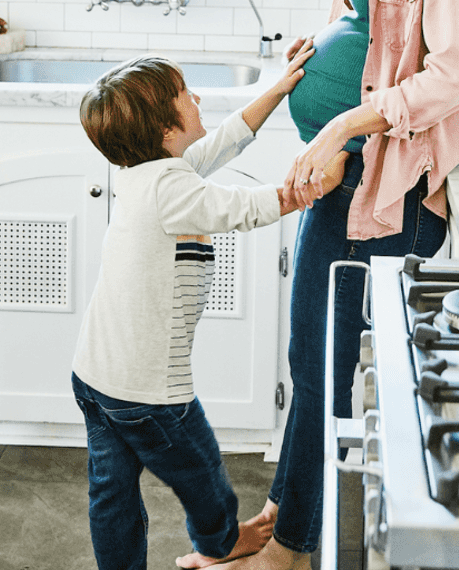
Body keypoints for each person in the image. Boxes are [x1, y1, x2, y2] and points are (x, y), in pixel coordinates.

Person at [198, 0, 459, 569]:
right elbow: (382, 37)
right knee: (312, 362)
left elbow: (458, 71)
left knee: (330, 371)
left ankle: (291, 552)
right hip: (350, 178)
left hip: (387, 188)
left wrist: (341, 128)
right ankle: (281, 517)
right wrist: (329, 54)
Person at [71, 43, 348, 570]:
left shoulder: (146, 170)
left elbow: (223, 142)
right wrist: (312, 186)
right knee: (200, 471)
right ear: (164, 131)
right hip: (148, 391)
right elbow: (242, 208)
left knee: (111, 493)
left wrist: (277, 89)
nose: (197, 98)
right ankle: (220, 541)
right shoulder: (170, 190)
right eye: (184, 95)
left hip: (96, 375)